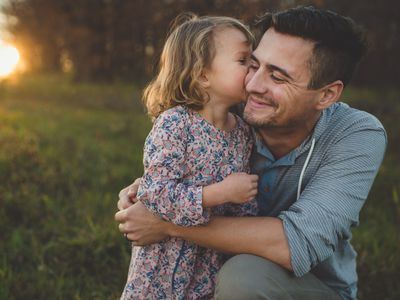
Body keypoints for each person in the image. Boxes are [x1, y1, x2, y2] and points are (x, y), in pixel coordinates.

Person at [116, 6, 387, 300]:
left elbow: (296, 244)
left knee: (243, 277)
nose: (254, 85)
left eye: (278, 77)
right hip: (206, 274)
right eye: (253, 64)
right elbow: (178, 170)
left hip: (313, 288)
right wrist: (143, 190)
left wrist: (166, 224)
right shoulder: (226, 114)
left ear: (327, 95)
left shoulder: (357, 134)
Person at [119, 14, 259, 299]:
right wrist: (217, 194)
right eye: (243, 60)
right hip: (163, 263)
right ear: (203, 74)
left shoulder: (243, 132)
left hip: (209, 259)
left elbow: (240, 204)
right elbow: (156, 194)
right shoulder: (175, 123)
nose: (253, 69)